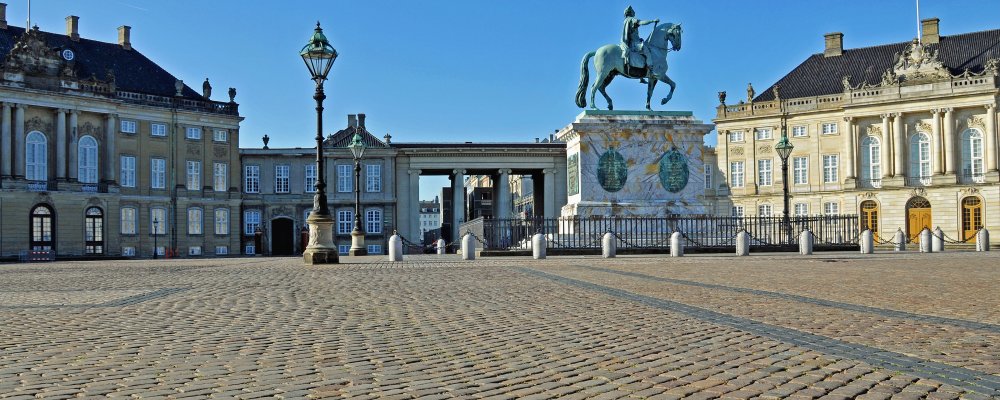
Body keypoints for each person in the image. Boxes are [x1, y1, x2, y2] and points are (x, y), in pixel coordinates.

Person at [621, 6, 658, 82]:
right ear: (631, 13)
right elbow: (641, 22)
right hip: (634, 44)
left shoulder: (625, 21)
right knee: (647, 51)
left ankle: (641, 77)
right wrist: (652, 21)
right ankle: (651, 72)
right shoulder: (631, 19)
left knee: (640, 56)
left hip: (631, 42)